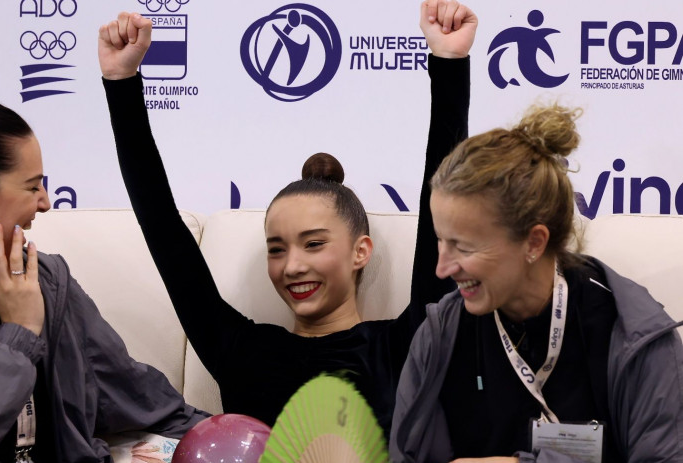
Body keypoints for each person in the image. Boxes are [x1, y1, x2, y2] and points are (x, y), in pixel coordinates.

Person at [97, 1, 476, 437]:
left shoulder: (406, 346)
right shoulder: (242, 350)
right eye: (277, 249)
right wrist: (121, 82)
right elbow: (162, 228)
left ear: (360, 251)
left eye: (313, 244)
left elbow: (442, 212)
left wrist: (449, 64)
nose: (292, 266)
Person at [389, 104, 683, 462]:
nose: (442, 268)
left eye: (463, 246)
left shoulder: (635, 340)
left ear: (533, 243)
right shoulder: (440, 336)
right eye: (440, 240)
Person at [0, 96, 209, 462]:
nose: (45, 202)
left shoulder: (45, 279)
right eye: (31, 187)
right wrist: (21, 332)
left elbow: (140, 398)